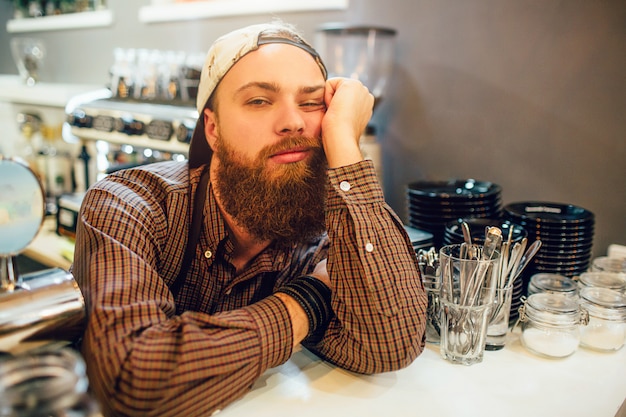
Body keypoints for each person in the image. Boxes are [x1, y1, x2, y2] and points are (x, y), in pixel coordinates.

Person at [72, 20, 427, 417]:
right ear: (212, 128)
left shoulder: (320, 226)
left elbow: (389, 343)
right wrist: (307, 299)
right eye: (259, 101)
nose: (293, 121)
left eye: (311, 103)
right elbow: (130, 383)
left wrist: (345, 143)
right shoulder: (129, 204)